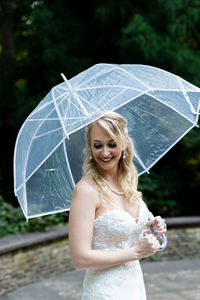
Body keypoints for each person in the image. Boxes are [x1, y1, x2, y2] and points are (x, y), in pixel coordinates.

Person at [68, 111, 167, 300]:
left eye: (112, 144)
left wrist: (153, 228)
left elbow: (129, 234)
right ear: (89, 146)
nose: (105, 153)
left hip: (134, 286)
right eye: (98, 145)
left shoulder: (128, 182)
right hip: (105, 291)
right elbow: (81, 259)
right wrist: (136, 252)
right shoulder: (85, 191)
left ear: (124, 143)